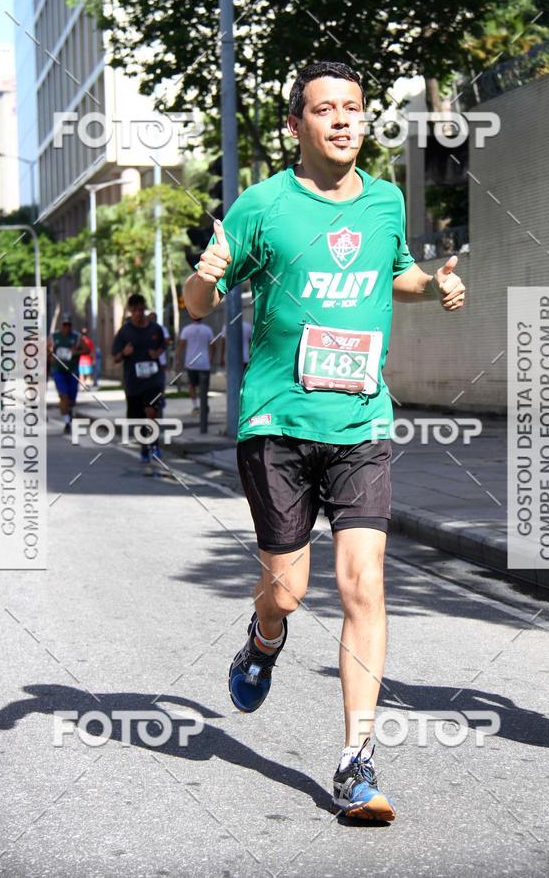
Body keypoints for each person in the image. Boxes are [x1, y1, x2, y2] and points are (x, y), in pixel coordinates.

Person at [184, 61, 465, 820]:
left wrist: (431, 285)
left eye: (353, 108)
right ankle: (264, 638)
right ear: (295, 126)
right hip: (277, 424)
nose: (342, 120)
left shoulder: (384, 199)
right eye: (325, 110)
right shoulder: (261, 206)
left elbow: (394, 273)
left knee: (363, 584)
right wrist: (207, 275)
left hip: (360, 420)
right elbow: (198, 301)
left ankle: (355, 761)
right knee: (289, 591)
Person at [111, 294, 166, 475]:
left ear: (144, 309)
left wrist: (157, 352)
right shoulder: (125, 332)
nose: (138, 313)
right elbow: (115, 357)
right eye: (134, 310)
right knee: (138, 418)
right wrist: (124, 353)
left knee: (151, 412)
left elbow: (165, 343)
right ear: (130, 311)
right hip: (133, 382)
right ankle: (144, 447)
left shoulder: (155, 328)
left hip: (153, 380)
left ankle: (155, 445)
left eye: (140, 309)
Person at [48, 314, 86, 433]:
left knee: (71, 400)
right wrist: (50, 357)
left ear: (71, 326)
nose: (66, 327)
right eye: (64, 325)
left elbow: (88, 350)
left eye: (68, 325)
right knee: (63, 396)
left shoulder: (77, 337)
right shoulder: (54, 337)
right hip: (58, 370)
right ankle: (67, 422)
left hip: (72, 370)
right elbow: (47, 351)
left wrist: (76, 351)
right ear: (61, 325)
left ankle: (69, 411)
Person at [177, 317, 215, 425]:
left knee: (191, 385)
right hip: (204, 363)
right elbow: (213, 345)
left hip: (191, 362)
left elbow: (181, 345)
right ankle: (204, 405)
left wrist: (178, 359)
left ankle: (195, 406)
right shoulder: (207, 329)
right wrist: (211, 358)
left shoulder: (186, 329)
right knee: (204, 386)